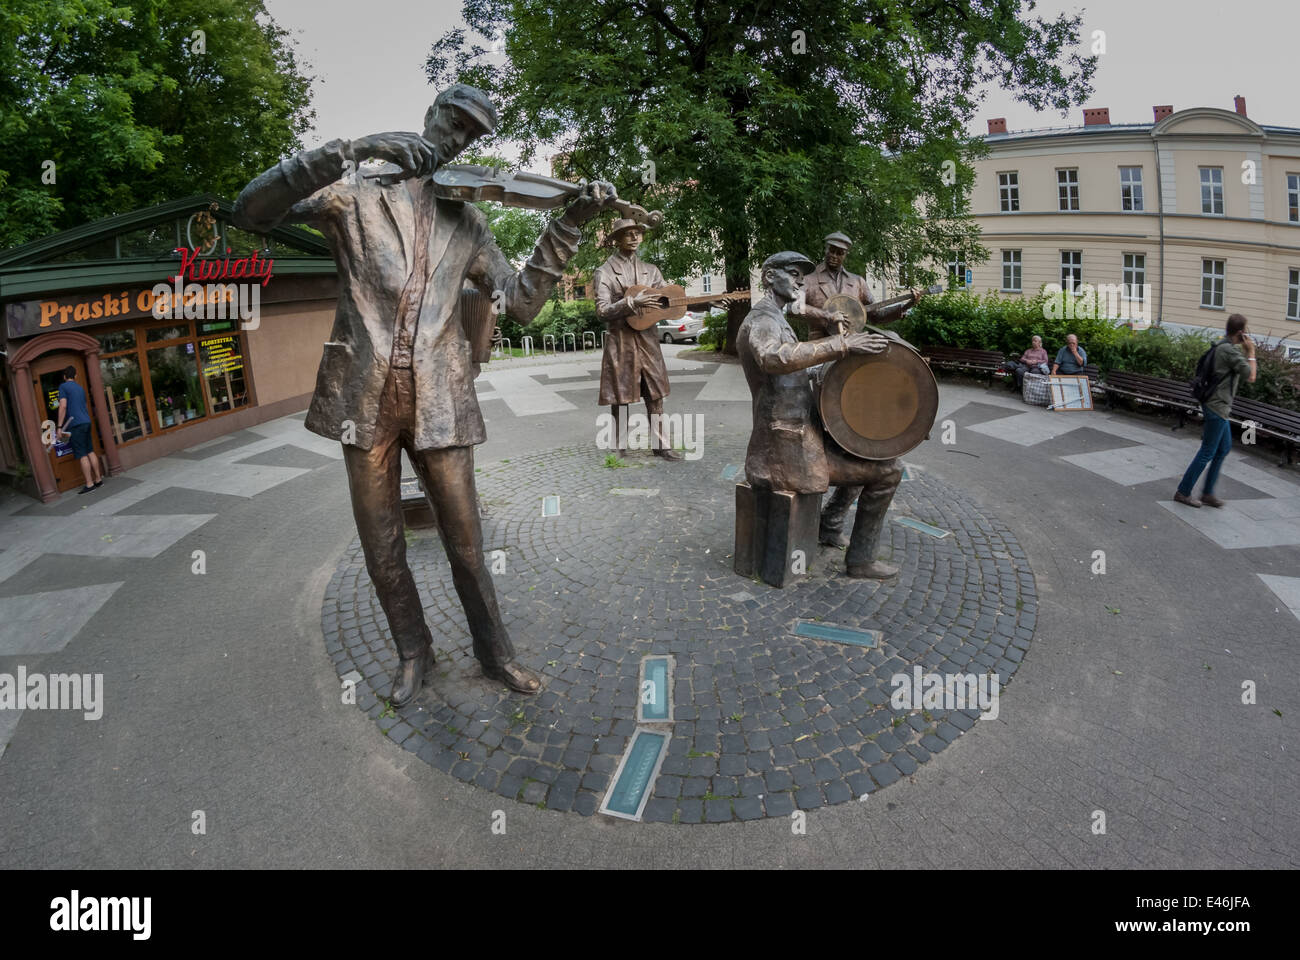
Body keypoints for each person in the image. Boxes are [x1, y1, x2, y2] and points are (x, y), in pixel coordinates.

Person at [234, 84, 617, 702]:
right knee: (382, 546)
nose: (459, 138)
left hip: (440, 399)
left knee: (466, 545)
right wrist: (354, 149)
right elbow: (251, 210)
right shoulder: (355, 191)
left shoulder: (469, 222)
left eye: (472, 134)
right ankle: (415, 652)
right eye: (454, 122)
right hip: (365, 400)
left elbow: (520, 303)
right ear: (429, 115)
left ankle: (496, 655)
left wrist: (569, 223)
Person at [737, 251, 904, 579]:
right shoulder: (761, 320)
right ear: (770, 277)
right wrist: (842, 346)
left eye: (802, 274)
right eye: (793, 273)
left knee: (864, 453)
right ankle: (860, 560)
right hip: (785, 446)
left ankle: (829, 525)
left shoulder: (777, 317)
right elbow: (774, 359)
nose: (801, 280)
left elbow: (792, 373)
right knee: (889, 471)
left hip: (801, 432)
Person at [799, 231, 924, 547]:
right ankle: (804, 522)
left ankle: (832, 521)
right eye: (831, 250)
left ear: (847, 254)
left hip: (853, 365)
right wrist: (826, 316)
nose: (835, 256)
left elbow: (876, 314)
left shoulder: (857, 282)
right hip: (820, 355)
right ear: (825, 249)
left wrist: (904, 305)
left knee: (859, 448)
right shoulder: (810, 281)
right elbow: (795, 309)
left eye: (841, 252)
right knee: (815, 444)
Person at [593, 219, 681, 460]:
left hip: (648, 339)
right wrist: (631, 303)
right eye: (627, 234)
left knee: (655, 394)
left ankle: (661, 445)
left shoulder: (651, 271)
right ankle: (619, 445)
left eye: (637, 233)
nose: (634, 237)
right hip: (621, 340)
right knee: (621, 396)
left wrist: (708, 302)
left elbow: (670, 301)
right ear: (616, 239)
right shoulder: (605, 272)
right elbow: (601, 310)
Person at [1173, 314, 1256, 509]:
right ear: (1241, 332)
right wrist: (1251, 351)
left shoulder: (1224, 347)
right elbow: (1251, 376)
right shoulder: (1228, 350)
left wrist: (1243, 350)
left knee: (1223, 448)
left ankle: (1208, 492)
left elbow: (1237, 367)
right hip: (1217, 406)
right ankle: (1183, 492)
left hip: (1218, 406)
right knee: (1208, 451)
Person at [56, 366, 103, 494]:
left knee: (82, 454)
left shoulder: (63, 387)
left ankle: (89, 484)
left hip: (75, 424)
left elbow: (63, 406)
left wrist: (59, 427)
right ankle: (98, 479)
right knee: (90, 450)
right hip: (86, 422)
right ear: (75, 376)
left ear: (64, 377)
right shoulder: (80, 388)